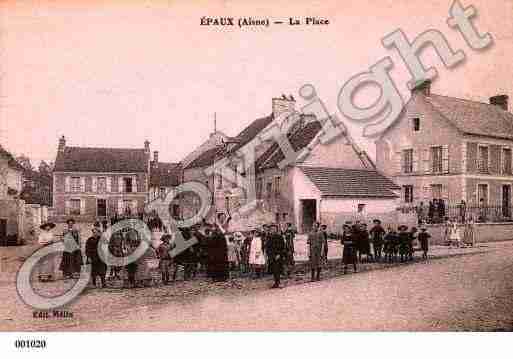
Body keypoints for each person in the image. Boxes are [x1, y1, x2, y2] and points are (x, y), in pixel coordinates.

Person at [265, 224, 285, 288]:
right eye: (271, 229)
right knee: (273, 270)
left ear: (276, 230)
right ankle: (276, 282)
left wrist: (279, 254)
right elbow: (267, 247)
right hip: (271, 256)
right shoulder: (269, 237)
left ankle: (278, 282)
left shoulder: (279, 237)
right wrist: (268, 254)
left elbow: (283, 247)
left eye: (274, 229)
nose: (272, 230)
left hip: (278, 256)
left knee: (277, 269)